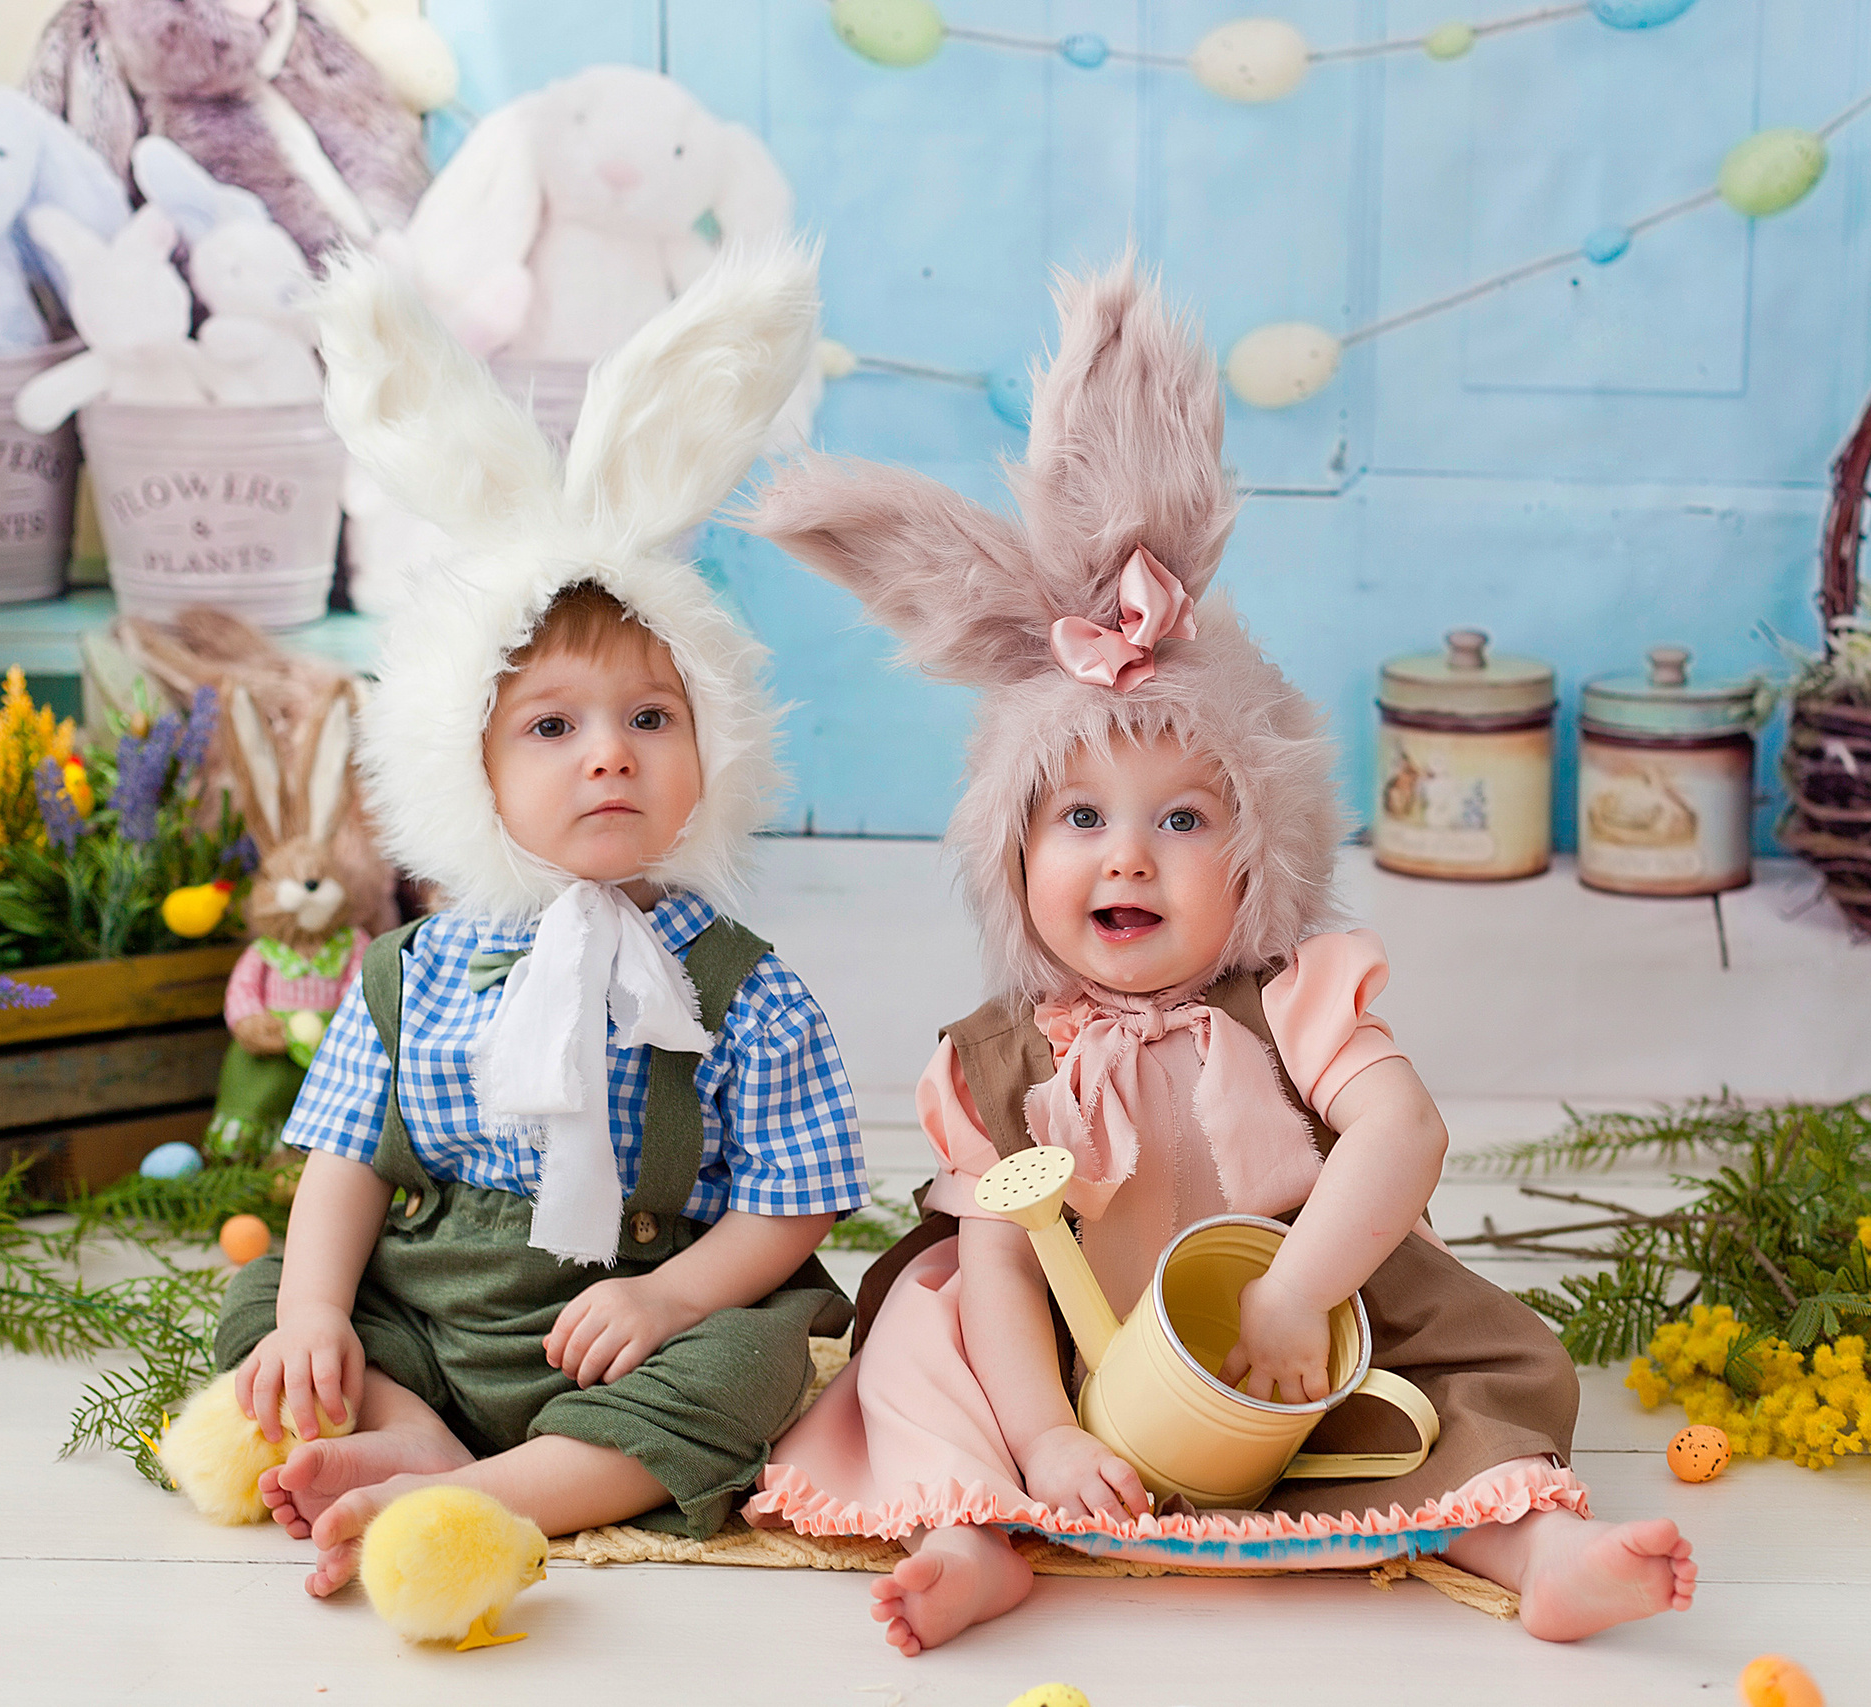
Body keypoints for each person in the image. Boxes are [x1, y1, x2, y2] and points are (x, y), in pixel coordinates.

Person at [735, 258, 1697, 1655]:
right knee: (930, 1323)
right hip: (1077, 1353)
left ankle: (1534, 1545)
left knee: (1453, 1370)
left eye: (1185, 818)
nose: (1127, 857)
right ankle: (982, 1525)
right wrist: (1054, 1433)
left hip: (1292, 1322)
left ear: (1259, 855)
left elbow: (1400, 1130)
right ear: (1014, 859)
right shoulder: (994, 1060)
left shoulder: (1294, 992)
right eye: (1078, 818)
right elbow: (1009, 1272)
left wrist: (1301, 1290)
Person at [209, 240, 863, 1597]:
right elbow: (346, 1163)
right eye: (552, 727)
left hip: (627, 1322)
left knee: (760, 1363)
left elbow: (793, 1206)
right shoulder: (412, 973)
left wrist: (676, 1298)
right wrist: (324, 1313)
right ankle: (420, 1439)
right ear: (472, 765)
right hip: (438, 1308)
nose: (607, 756)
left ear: (715, 745)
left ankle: (476, 1497)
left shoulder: (740, 986)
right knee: (270, 1305)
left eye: (650, 719)